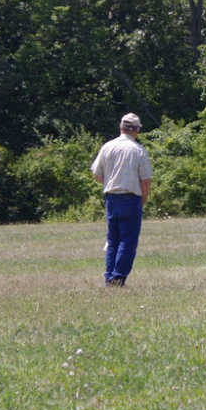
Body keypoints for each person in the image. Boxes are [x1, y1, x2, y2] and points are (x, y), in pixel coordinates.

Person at [91, 113, 154, 287]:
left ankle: (109, 278)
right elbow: (146, 182)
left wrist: (112, 182)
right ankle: (117, 279)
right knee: (127, 240)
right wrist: (141, 202)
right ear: (137, 130)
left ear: (121, 128)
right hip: (130, 198)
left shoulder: (107, 147)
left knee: (113, 241)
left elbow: (97, 173)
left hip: (111, 198)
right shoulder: (139, 150)